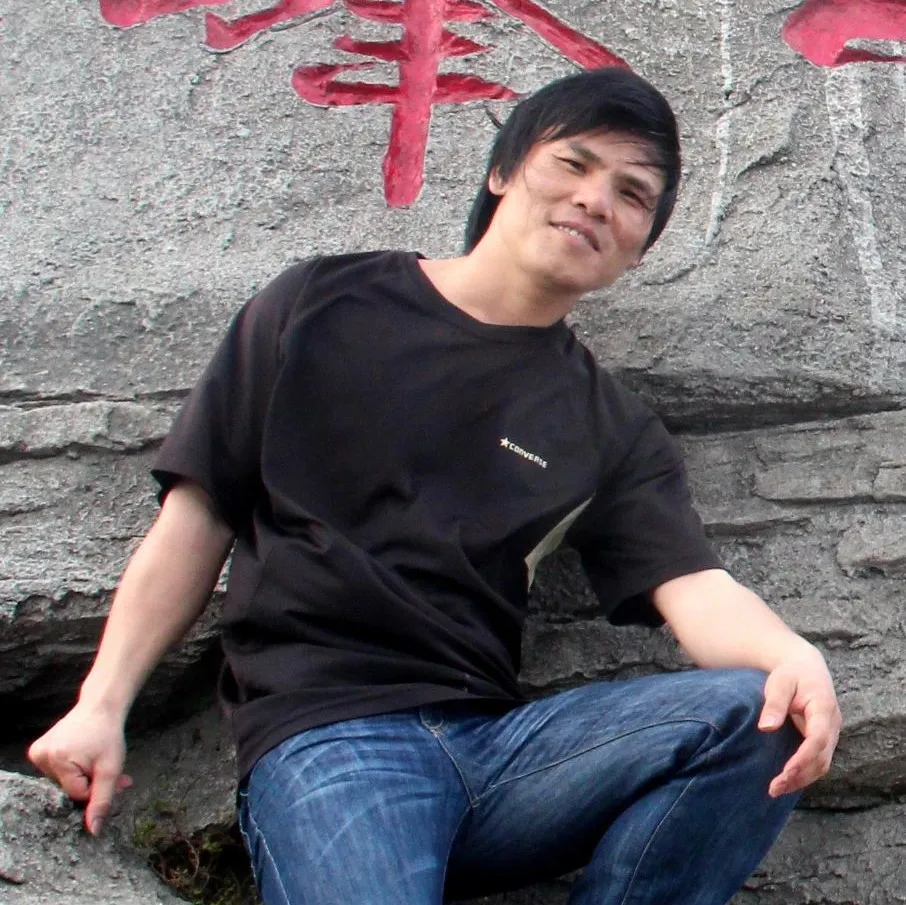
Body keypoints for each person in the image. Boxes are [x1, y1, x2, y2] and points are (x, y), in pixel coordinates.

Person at [28, 67, 841, 905]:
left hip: (501, 750)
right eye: (573, 163)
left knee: (761, 714)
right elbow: (195, 518)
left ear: (640, 249)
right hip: (331, 742)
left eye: (632, 194)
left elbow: (695, 587)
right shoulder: (323, 305)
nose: (596, 200)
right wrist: (102, 704)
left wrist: (791, 656)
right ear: (503, 171)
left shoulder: (609, 424)